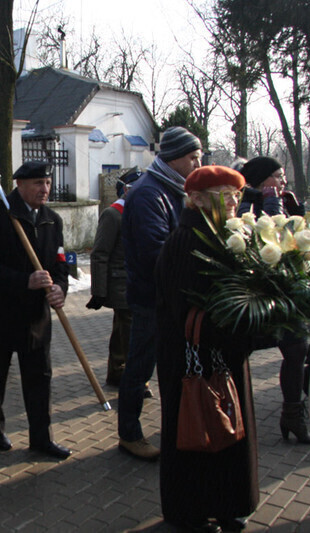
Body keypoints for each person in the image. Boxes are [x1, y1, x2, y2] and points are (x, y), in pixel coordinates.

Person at [155, 166, 256, 533]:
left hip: (222, 353)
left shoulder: (222, 234)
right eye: (223, 193)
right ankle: (189, 512)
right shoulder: (185, 240)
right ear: (196, 198)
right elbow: (190, 310)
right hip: (190, 358)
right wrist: (247, 326)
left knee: (228, 429)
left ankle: (227, 503)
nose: (232, 201)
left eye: (236, 194)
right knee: (192, 434)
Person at [0, 160, 71, 460]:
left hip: (36, 318)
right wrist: (23, 280)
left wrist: (60, 288)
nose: (45, 189)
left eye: (48, 183)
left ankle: (41, 438)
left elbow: (61, 264)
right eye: (38, 183)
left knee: (39, 378)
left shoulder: (53, 220)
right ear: (19, 184)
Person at [118, 126, 202, 461]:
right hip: (153, 299)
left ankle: (175, 428)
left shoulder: (173, 189)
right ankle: (129, 433)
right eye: (193, 157)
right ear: (175, 158)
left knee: (166, 365)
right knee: (139, 367)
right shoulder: (149, 194)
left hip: (171, 297)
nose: (198, 162)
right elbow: (157, 253)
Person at [239, 156, 310, 444]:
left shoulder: (281, 199)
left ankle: (293, 414)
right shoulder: (245, 201)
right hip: (251, 295)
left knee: (297, 348)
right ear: (260, 180)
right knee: (239, 351)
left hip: (283, 294)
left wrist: (296, 212)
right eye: (278, 177)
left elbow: (293, 244)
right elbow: (256, 238)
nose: (283, 182)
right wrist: (270, 208)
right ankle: (234, 414)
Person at [86, 170, 141, 386]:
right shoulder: (113, 214)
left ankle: (119, 373)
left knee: (126, 331)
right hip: (121, 283)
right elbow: (100, 253)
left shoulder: (142, 211)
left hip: (140, 283)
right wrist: (99, 291)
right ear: (126, 189)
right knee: (126, 331)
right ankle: (123, 374)